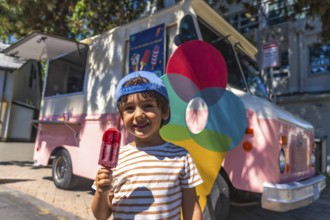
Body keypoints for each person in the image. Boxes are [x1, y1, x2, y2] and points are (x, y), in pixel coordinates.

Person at [91, 71, 203, 220]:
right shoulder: (116, 159)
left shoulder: (181, 157)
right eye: (129, 108)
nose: (138, 115)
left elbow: (192, 208)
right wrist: (101, 192)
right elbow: (101, 216)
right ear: (121, 117)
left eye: (148, 106)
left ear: (164, 112)